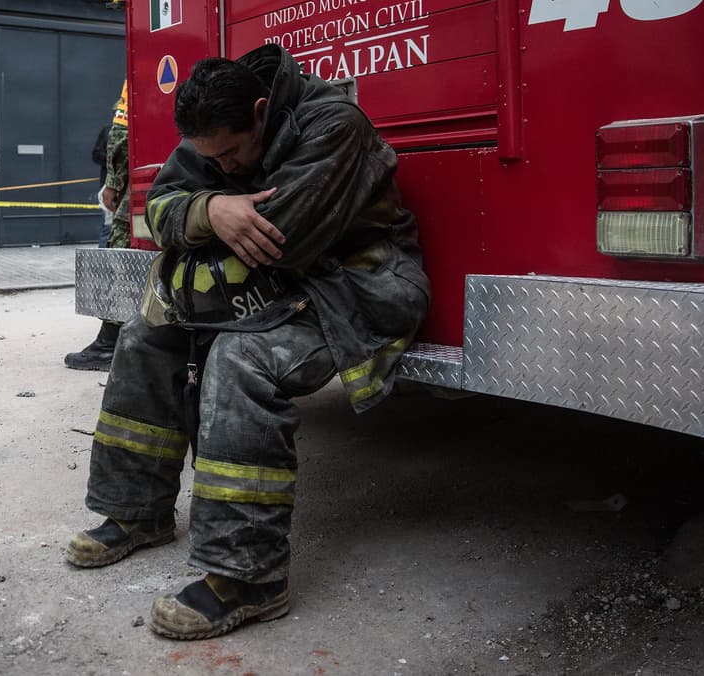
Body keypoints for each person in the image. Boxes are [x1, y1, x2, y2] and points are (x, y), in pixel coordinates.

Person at [65, 46, 430, 639]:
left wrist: (203, 219)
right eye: (212, 159)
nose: (225, 166)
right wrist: (212, 209)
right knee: (144, 337)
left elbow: (281, 238)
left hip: (351, 287)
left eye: (231, 154)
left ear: (260, 111)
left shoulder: (333, 124)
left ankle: (250, 578)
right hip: (267, 287)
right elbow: (157, 210)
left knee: (240, 357)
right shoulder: (215, 128)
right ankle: (137, 513)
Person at [65, 81, 129, 371]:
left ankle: (109, 345)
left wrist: (113, 183)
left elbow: (122, 133)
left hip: (138, 185)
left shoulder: (135, 76)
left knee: (121, 256)